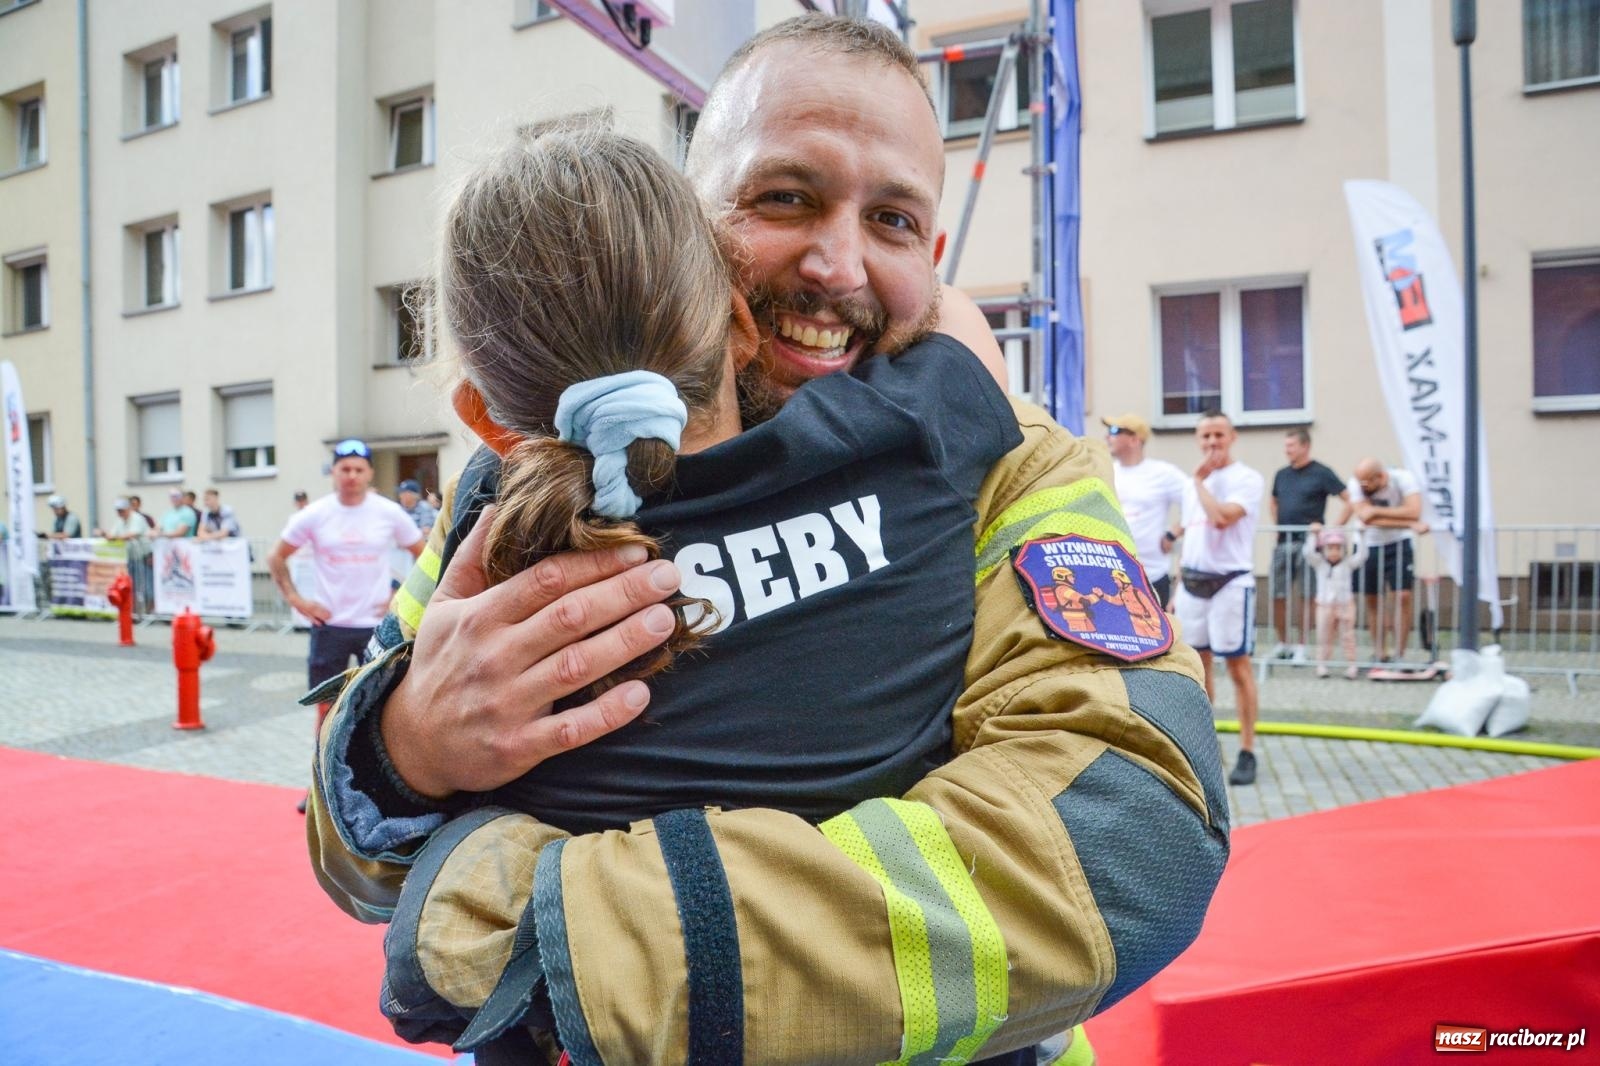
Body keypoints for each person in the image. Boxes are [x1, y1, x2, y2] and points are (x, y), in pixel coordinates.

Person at [307, 17, 1227, 1065]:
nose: (837, 265)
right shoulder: (523, 488)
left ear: (932, 261)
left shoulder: (1010, 461)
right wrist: (405, 746)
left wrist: (549, 928)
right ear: (691, 226)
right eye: (784, 198)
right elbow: (347, 858)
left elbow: (1131, 832)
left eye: (889, 220)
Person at [267, 438, 424, 811]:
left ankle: (378, 791)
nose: (351, 476)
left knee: (384, 708)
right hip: (331, 625)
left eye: (358, 469)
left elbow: (425, 553)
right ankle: (319, 790)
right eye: (344, 469)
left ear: (369, 473)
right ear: (334, 473)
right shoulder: (315, 515)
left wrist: (399, 597)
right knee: (326, 708)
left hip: (376, 626)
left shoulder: (387, 513)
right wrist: (297, 601)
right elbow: (276, 557)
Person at [1171, 410, 1264, 786]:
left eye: (1218, 436)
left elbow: (1223, 518)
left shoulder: (1246, 479)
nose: (1212, 443)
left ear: (1232, 437)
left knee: (1237, 667)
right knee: (1198, 668)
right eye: (1205, 437)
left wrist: (1199, 481)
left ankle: (1247, 748)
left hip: (1230, 583)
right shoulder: (1192, 486)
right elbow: (1192, 536)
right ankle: (1205, 747)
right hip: (1193, 582)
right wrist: (1177, 588)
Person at [1267, 428, 1347, 661]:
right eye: (1286, 446)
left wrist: (1331, 530)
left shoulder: (1321, 473)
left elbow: (1348, 500)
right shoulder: (1281, 474)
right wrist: (1278, 524)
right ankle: (1283, 643)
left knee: (1307, 594)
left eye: (1291, 446)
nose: (1287, 450)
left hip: (1310, 543)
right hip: (1284, 541)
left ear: (1305, 446)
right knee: (1277, 593)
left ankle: (1302, 646)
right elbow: (1273, 501)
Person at [1335, 458, 1423, 663]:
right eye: (1360, 484)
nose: (1363, 488)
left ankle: (1399, 654)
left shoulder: (1404, 479)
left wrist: (1376, 511)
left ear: (1381, 477)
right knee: (1373, 599)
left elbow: (1414, 510)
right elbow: (1364, 517)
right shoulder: (1356, 483)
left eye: (1367, 484)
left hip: (1399, 542)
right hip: (1368, 543)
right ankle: (1379, 651)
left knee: (1402, 596)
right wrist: (1408, 523)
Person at [1103, 412, 1185, 606]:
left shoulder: (1162, 473)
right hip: (1111, 574)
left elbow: (1195, 502)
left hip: (1151, 576)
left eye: (1114, 431)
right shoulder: (1106, 472)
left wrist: (1173, 533)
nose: (1107, 436)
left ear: (1134, 439)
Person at [1302, 525, 1368, 679]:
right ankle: (1322, 665)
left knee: (1348, 635)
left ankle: (1351, 665)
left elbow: (1362, 556)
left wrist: (1362, 536)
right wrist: (1313, 536)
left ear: (1344, 550)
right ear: (1323, 549)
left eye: (1338, 548)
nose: (1334, 552)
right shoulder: (1319, 564)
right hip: (1324, 605)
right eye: (1330, 548)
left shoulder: (1347, 564)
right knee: (1324, 635)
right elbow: (1308, 553)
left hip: (1345, 604)